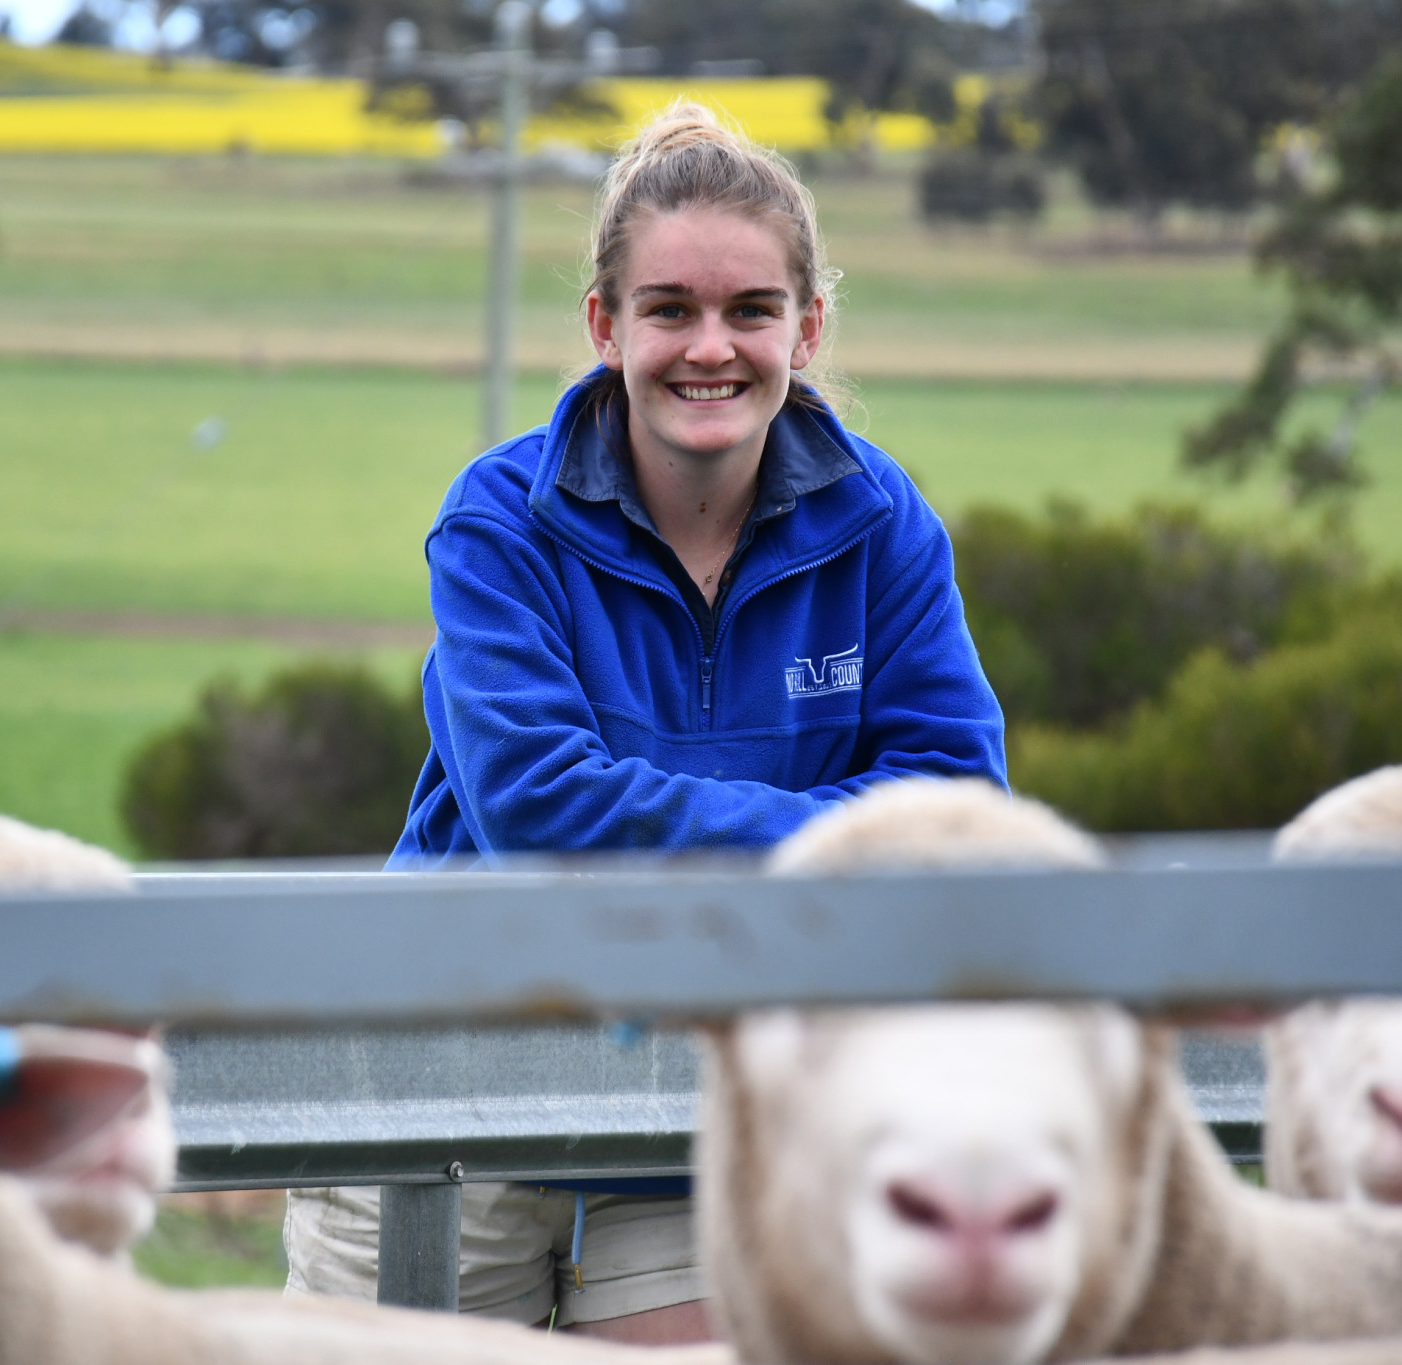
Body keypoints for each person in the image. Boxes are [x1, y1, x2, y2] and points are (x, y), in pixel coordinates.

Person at [282, 101, 1006, 1343]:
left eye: (749, 311)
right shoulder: (499, 521)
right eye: (668, 308)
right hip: (445, 1070)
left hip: (709, 1092)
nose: (707, 349)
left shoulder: (882, 524)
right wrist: (838, 837)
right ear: (603, 326)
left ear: (808, 325)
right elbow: (543, 816)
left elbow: (957, 810)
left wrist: (815, 839)